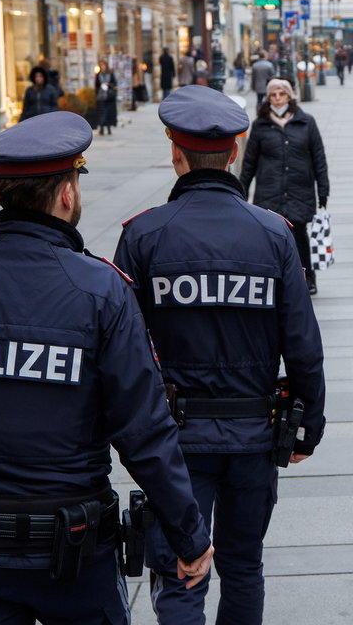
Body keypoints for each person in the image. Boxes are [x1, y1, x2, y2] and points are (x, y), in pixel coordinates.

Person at [0, 111, 213, 619]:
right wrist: (189, 534)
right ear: (66, 194)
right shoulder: (102, 289)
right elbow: (144, 430)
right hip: (75, 552)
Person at [116, 87, 325, 624]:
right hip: (255, 434)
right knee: (244, 566)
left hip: (174, 440)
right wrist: (310, 423)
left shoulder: (142, 235)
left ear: (175, 153)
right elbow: (302, 341)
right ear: (235, 152)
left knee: (183, 572)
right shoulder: (274, 233)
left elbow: (124, 352)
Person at [240, 78, 330, 295]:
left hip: (300, 189)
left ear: (290, 96)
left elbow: (319, 158)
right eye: (273, 94)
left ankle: (308, 276)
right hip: (269, 191)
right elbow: (249, 161)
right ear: (268, 98)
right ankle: (274, 278)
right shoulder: (260, 125)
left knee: (299, 235)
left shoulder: (306, 122)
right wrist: (240, 190)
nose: (278, 98)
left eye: (282, 93)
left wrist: (323, 191)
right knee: (270, 237)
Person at [94, 61, 117, 136]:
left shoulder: (110, 74)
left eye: (103, 65)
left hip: (109, 97)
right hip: (101, 97)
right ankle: (101, 129)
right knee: (101, 113)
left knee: (109, 113)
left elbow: (114, 84)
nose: (102, 67)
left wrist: (109, 85)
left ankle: (109, 128)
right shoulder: (98, 75)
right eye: (101, 65)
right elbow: (96, 86)